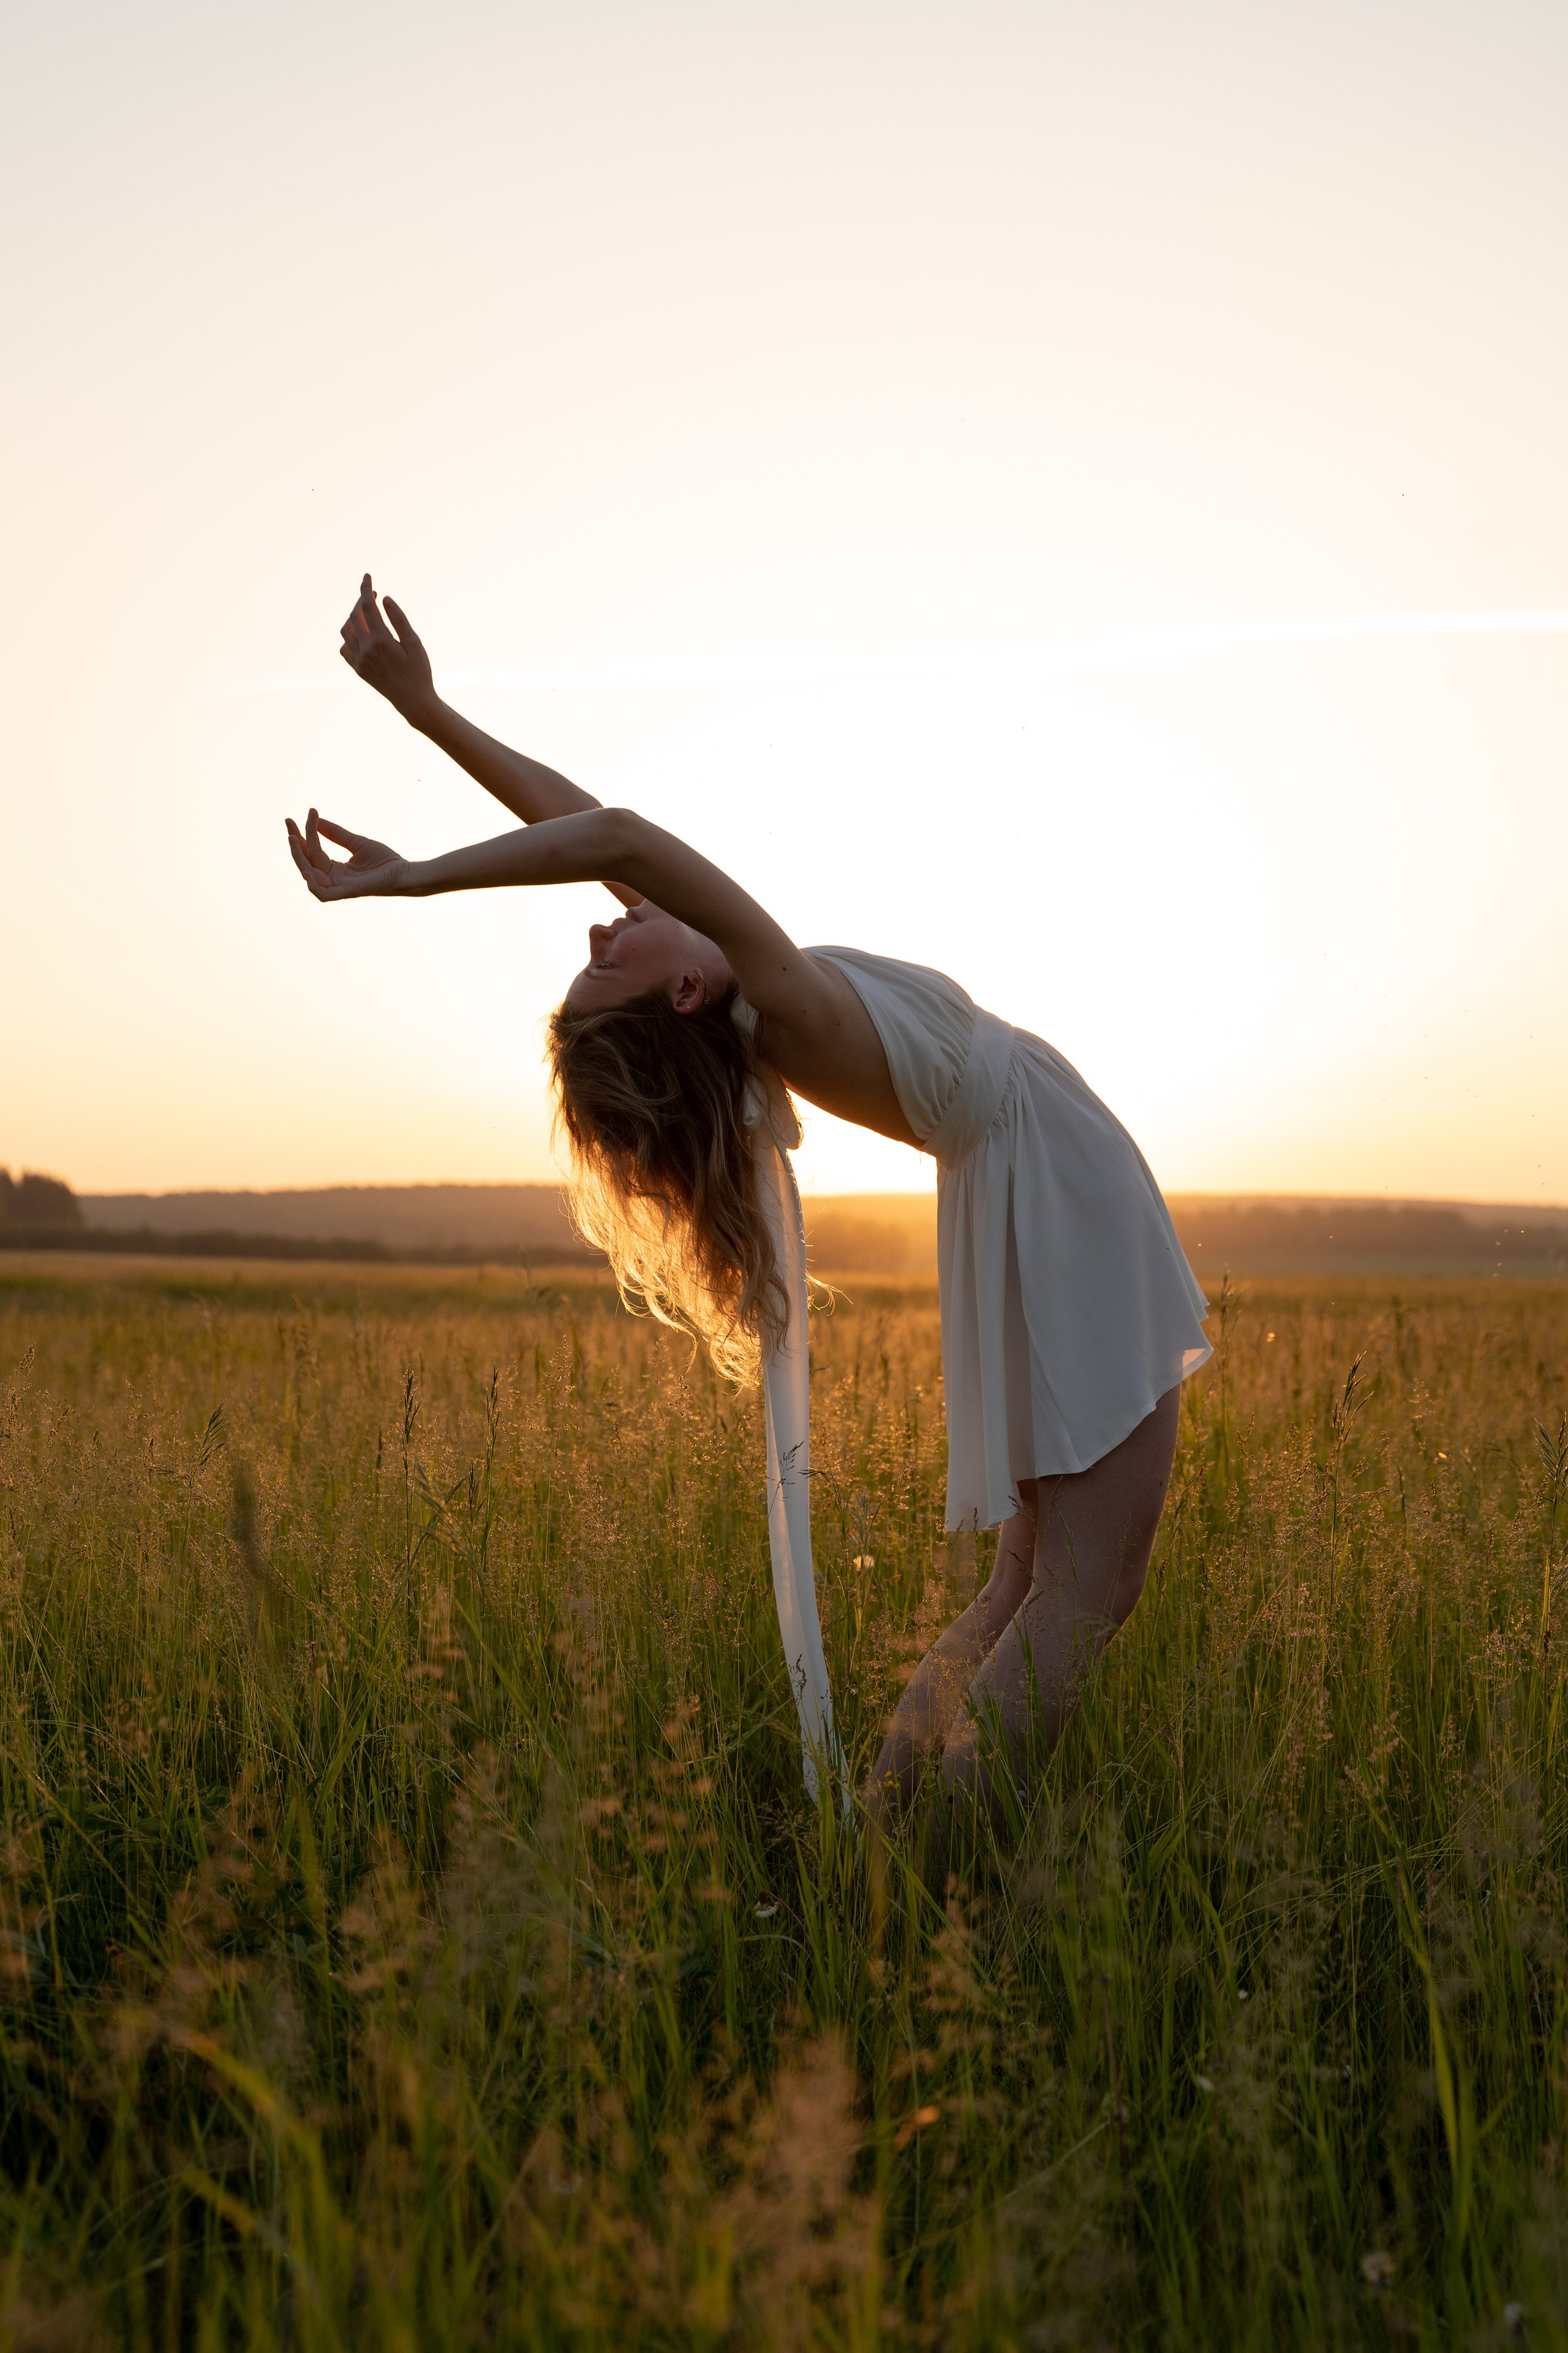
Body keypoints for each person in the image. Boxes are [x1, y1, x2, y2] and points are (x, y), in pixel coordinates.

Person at [287, 575, 1212, 1824]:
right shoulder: (785, 1000)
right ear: (680, 998)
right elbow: (616, 834)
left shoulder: (754, 1004)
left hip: (1018, 1191)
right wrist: (410, 881)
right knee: (1083, 1591)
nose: (602, 933)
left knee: (1031, 1581)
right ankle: (934, 1866)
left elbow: (582, 827)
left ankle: (884, 1849)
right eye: (606, 958)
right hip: (1058, 1185)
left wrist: (428, 714)